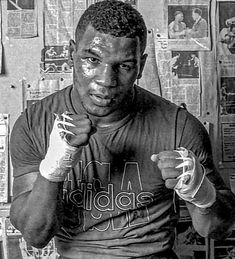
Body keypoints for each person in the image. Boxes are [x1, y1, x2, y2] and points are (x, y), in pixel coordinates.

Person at [9, 1, 235, 259]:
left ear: (141, 65)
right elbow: (36, 235)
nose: (106, 81)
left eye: (125, 66)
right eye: (92, 60)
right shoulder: (34, 122)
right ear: (72, 52)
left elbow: (218, 229)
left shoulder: (178, 126)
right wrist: (53, 169)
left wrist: (202, 193)